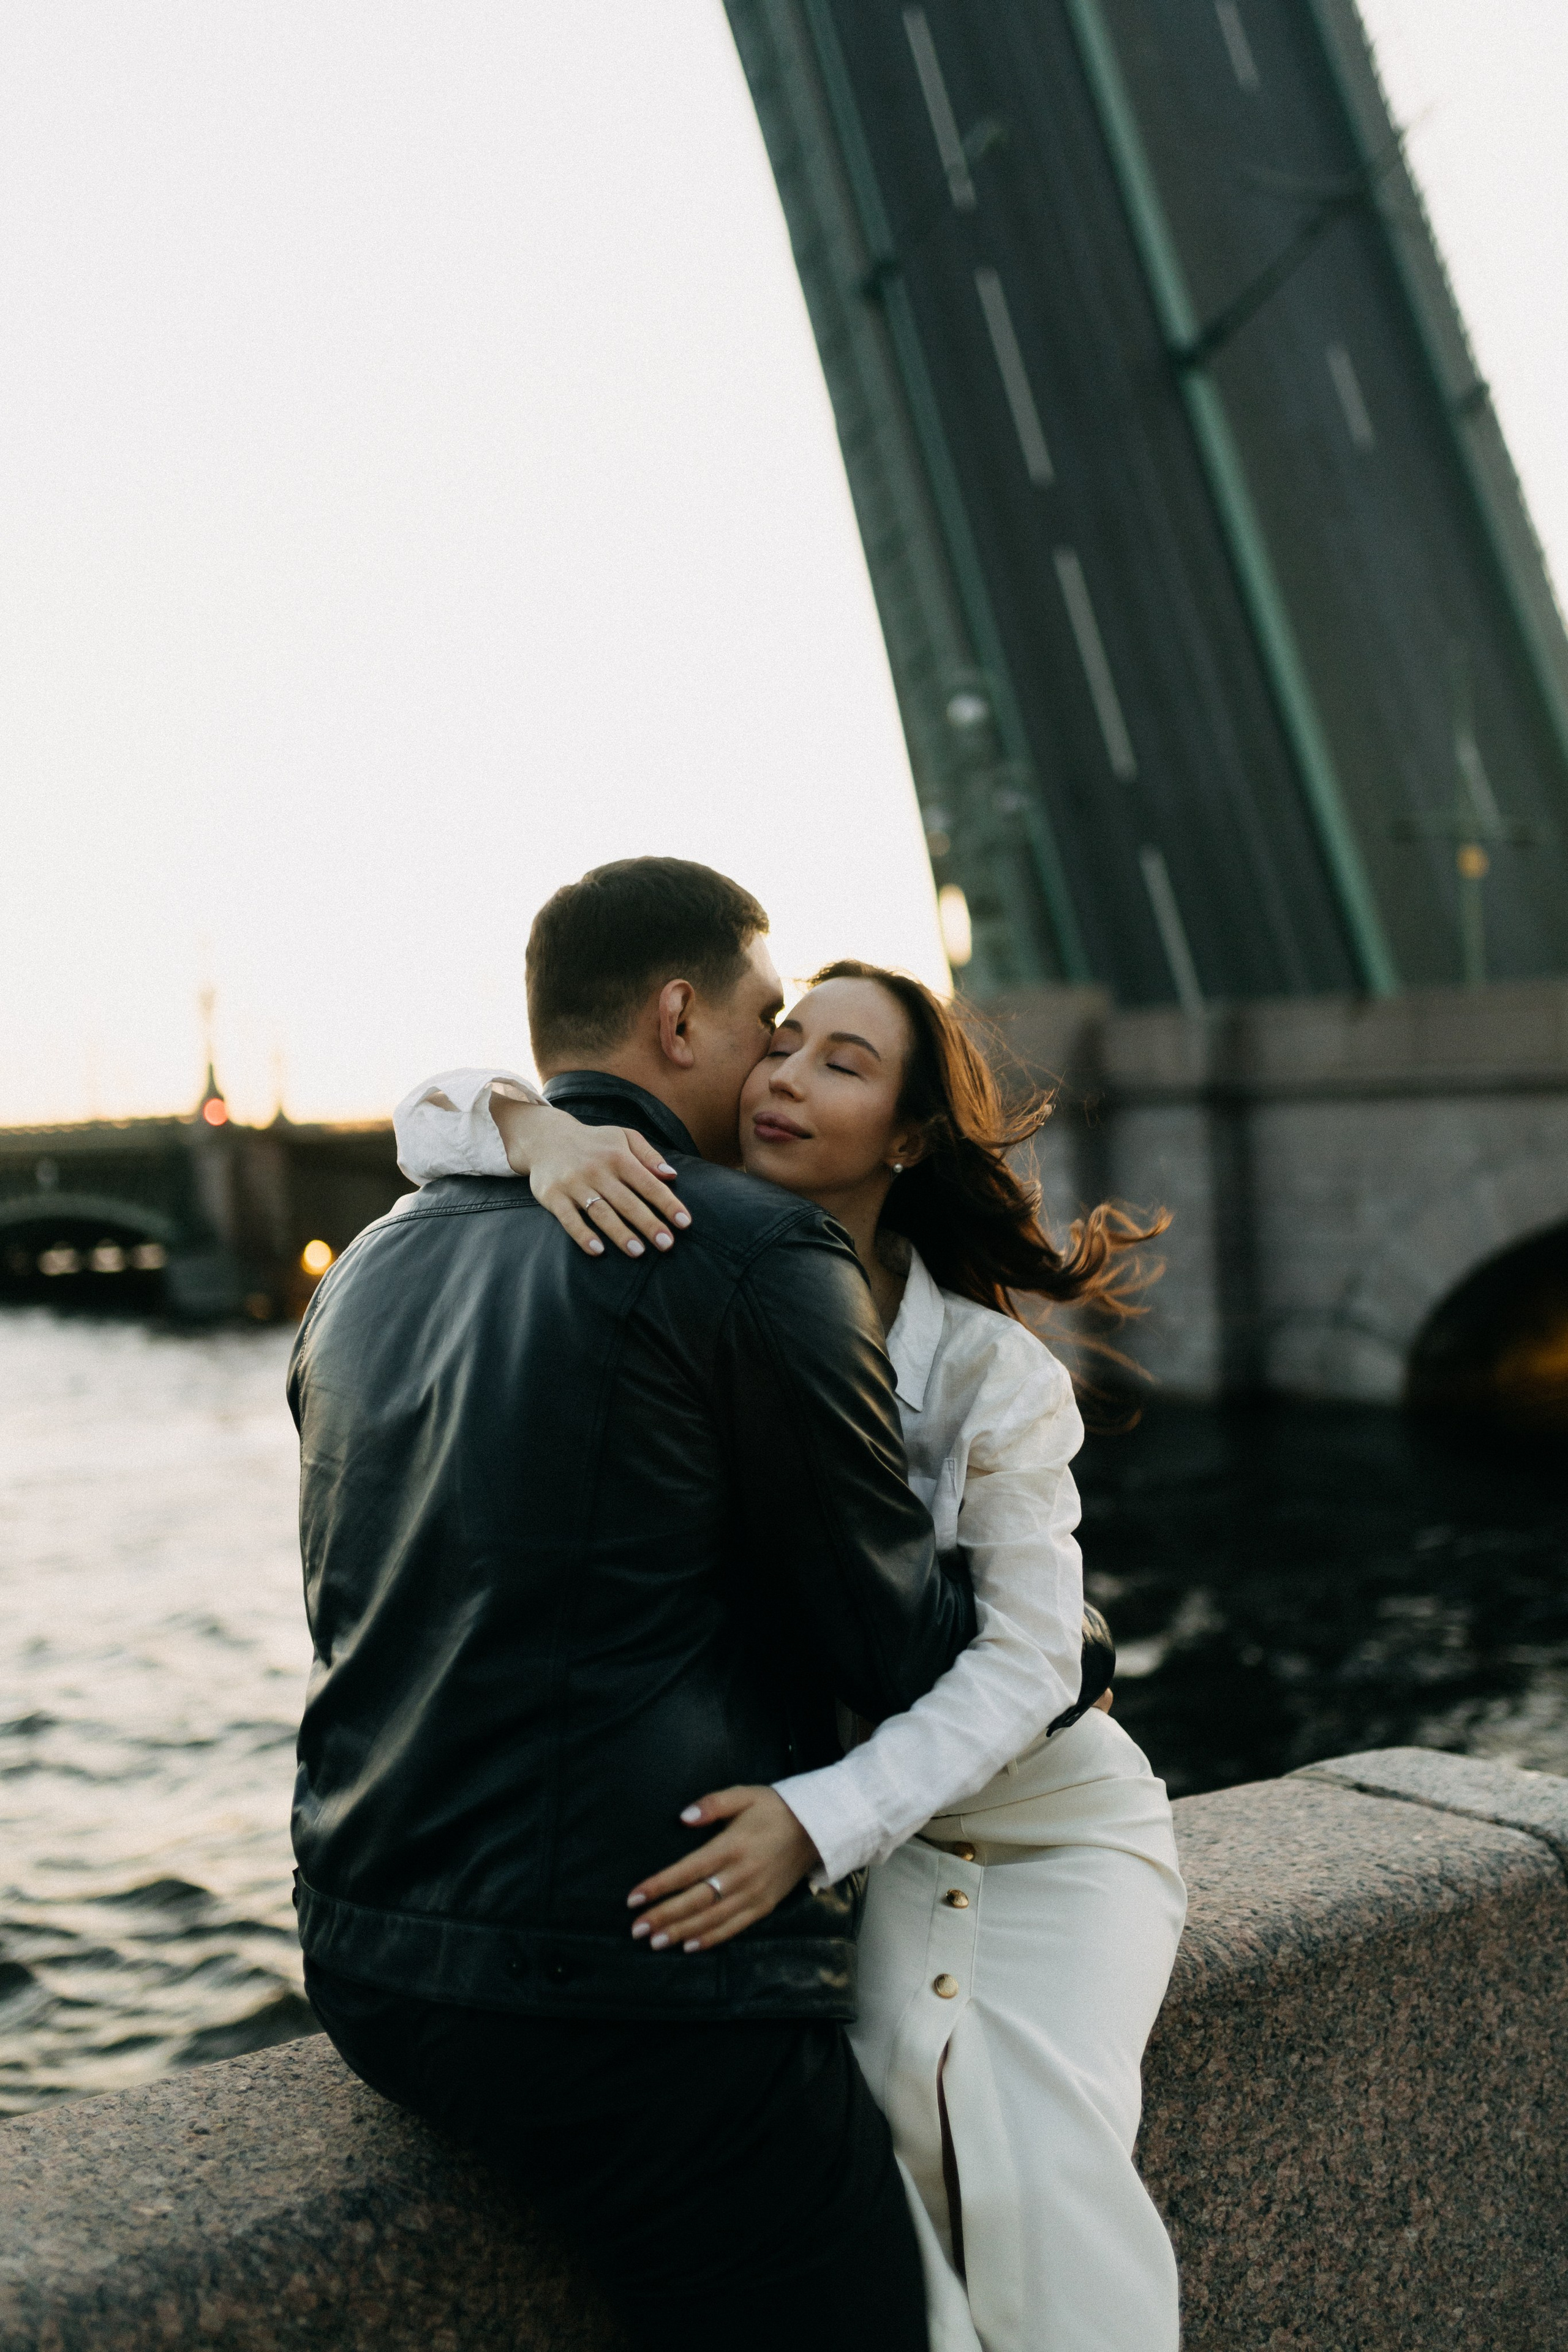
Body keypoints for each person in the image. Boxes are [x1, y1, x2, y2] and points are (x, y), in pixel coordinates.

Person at [397, 960, 1188, 2352]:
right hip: (868, 1834)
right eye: (781, 1046)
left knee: (1042, 2174)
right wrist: (537, 1130)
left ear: (907, 1136)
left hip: (1035, 1820)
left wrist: (813, 1827)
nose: (779, 1080)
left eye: (839, 1063)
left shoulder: (988, 1375)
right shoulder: (671, 1218)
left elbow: (1023, 1667)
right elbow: (423, 1121)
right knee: (892, 2151)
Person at [290, 861, 978, 2352]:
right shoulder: (752, 1249)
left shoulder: (362, 1269)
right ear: (681, 1017)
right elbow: (893, 1639)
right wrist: (1067, 1630)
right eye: (764, 1020)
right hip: (628, 1989)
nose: (777, 1059)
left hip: (364, 1956)